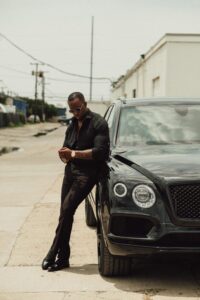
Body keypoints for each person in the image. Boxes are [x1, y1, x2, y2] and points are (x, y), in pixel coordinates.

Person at [42, 92, 110, 272]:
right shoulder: (71, 124)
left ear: (85, 104)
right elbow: (67, 149)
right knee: (65, 213)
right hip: (70, 172)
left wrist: (73, 154)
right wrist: (64, 155)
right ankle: (63, 258)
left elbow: (100, 152)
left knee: (66, 210)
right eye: (72, 111)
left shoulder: (98, 123)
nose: (75, 113)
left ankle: (52, 252)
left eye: (78, 109)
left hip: (87, 174)